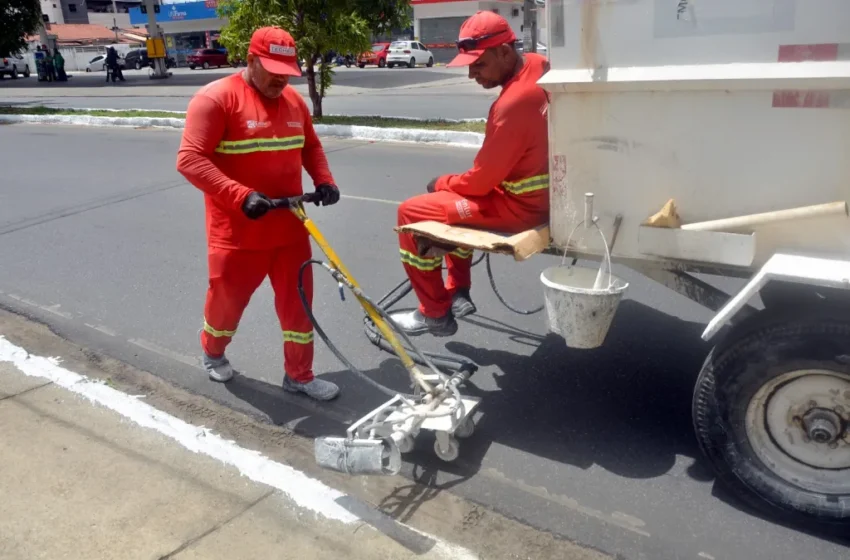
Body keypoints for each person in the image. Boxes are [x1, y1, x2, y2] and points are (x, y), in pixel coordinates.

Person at [176, 26, 342, 401]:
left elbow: (310, 146)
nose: (280, 79)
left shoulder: (295, 103)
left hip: (290, 227)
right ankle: (212, 351)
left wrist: (324, 180)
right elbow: (189, 160)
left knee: (298, 307)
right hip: (237, 233)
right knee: (227, 305)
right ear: (250, 60)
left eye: (286, 70)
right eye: (271, 69)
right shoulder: (216, 100)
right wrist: (240, 195)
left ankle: (299, 375)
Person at [390, 11, 551, 336]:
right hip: (537, 197)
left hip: (520, 209)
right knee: (453, 204)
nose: (471, 74)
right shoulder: (538, 66)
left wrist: (441, 182)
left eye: (478, 64)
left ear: (505, 52)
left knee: (410, 212)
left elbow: (479, 182)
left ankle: (433, 313)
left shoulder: (511, 105)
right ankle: (458, 290)